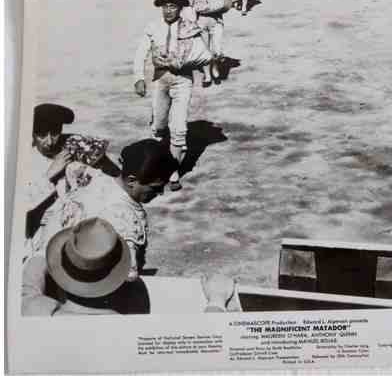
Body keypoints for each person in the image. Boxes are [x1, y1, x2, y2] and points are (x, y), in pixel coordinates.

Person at [22, 217, 243, 315]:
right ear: (118, 276)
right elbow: (209, 341)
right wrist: (216, 301)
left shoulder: (34, 310)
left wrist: (63, 249)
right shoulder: (130, 332)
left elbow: (28, 283)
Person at [31, 139, 178, 281]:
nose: (160, 193)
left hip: (57, 261)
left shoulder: (92, 177)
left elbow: (73, 169)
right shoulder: (124, 220)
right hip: (90, 282)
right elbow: (128, 276)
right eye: (156, 188)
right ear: (131, 180)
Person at [133, 0, 212, 191]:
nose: (168, 10)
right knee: (159, 127)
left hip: (182, 81)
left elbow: (203, 54)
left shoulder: (190, 27)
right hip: (160, 80)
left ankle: (172, 172)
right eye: (165, 7)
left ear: (180, 9)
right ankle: (156, 165)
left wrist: (194, 66)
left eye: (173, 7)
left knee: (179, 129)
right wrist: (138, 78)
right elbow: (141, 52)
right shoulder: (153, 27)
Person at [22, 104, 110, 244]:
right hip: (41, 236)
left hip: (77, 229)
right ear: (32, 134)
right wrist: (49, 174)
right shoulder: (23, 160)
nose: (50, 141)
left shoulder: (73, 147)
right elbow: (18, 206)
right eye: (42, 135)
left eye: (55, 133)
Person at [187, 0, 235, 85]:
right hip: (201, 21)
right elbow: (189, 7)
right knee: (205, 50)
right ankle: (208, 75)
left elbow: (229, 2)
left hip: (216, 20)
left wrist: (221, 6)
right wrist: (192, 21)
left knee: (217, 49)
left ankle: (215, 68)